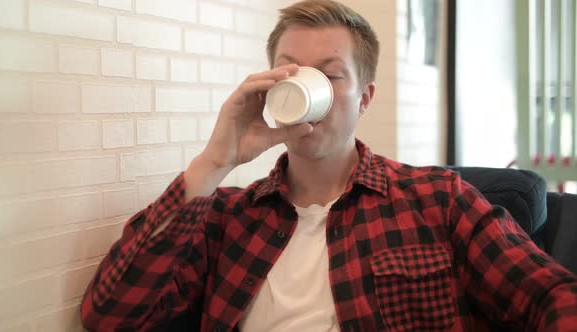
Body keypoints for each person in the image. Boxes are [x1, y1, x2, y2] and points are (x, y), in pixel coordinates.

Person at [81, 1, 577, 331]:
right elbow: (110, 315)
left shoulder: (438, 201)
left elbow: (550, 295)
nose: (305, 87)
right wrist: (216, 161)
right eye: (290, 72)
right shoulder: (228, 218)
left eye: (330, 75)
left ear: (365, 98)